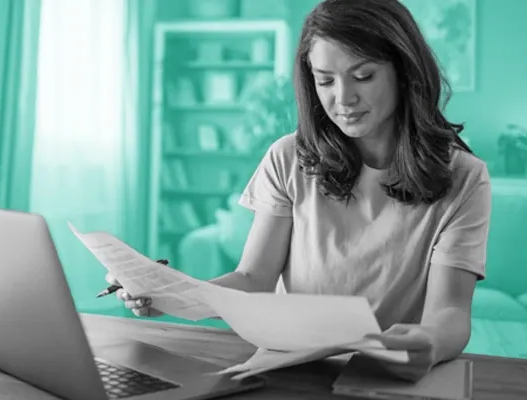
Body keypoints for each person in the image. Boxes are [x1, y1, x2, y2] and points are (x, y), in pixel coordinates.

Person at [106, 0, 491, 383]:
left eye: (363, 76)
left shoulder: (464, 177)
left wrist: (431, 341)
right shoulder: (288, 157)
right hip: (291, 367)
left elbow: (451, 312)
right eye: (325, 80)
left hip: (385, 378)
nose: (343, 99)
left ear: (404, 72)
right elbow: (253, 279)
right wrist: (168, 295)